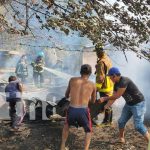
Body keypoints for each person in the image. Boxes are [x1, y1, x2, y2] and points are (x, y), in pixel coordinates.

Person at [99, 67, 150, 143]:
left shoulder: (124, 81)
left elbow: (117, 96)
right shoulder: (115, 84)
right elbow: (113, 97)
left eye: (110, 77)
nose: (110, 79)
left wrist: (104, 98)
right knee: (121, 121)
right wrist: (106, 106)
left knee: (138, 126)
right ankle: (121, 139)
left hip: (138, 104)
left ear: (114, 75)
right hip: (129, 104)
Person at [60, 64, 96, 150]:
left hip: (72, 109)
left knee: (66, 125)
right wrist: (87, 100)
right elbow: (93, 101)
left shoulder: (72, 80)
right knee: (88, 130)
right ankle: (86, 149)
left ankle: (62, 146)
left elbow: (66, 95)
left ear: (80, 72)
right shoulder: (93, 85)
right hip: (83, 110)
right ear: (90, 73)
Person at [90, 42, 113, 125]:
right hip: (109, 84)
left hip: (104, 86)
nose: (96, 53)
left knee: (104, 103)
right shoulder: (107, 59)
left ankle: (106, 121)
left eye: (96, 52)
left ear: (99, 52)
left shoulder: (101, 62)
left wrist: (96, 88)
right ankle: (108, 120)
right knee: (108, 102)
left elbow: (100, 77)